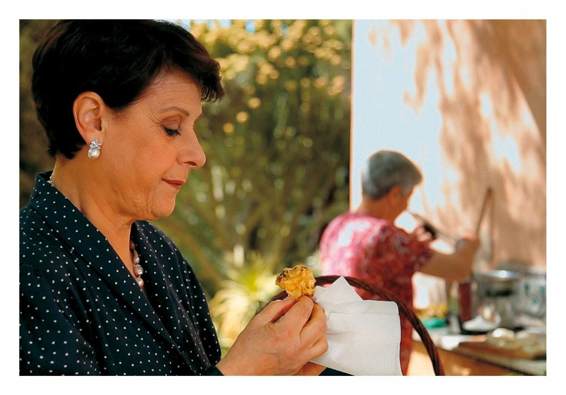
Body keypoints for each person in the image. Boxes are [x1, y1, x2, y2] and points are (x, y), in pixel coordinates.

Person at [20, 20, 328, 376]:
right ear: (93, 121)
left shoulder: (161, 254)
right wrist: (246, 372)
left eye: (192, 128)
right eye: (171, 128)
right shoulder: (25, 267)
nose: (197, 155)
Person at [318, 150, 479, 375]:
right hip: (373, 362)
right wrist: (468, 245)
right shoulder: (386, 235)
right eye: (407, 196)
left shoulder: (338, 225)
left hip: (334, 355)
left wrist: (409, 244)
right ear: (394, 194)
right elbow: (458, 269)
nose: (405, 205)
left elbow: (373, 267)